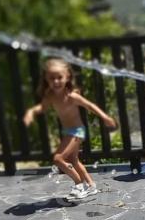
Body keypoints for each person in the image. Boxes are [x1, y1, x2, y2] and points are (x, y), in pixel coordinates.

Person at [23, 57, 116, 199]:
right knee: (73, 160)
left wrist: (105, 117)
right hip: (68, 132)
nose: (56, 81)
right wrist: (31, 112)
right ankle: (91, 186)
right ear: (46, 79)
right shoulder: (50, 96)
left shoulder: (71, 96)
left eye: (59, 77)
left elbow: (90, 106)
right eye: (52, 78)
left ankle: (79, 185)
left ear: (67, 77)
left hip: (77, 131)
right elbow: (42, 107)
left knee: (58, 158)